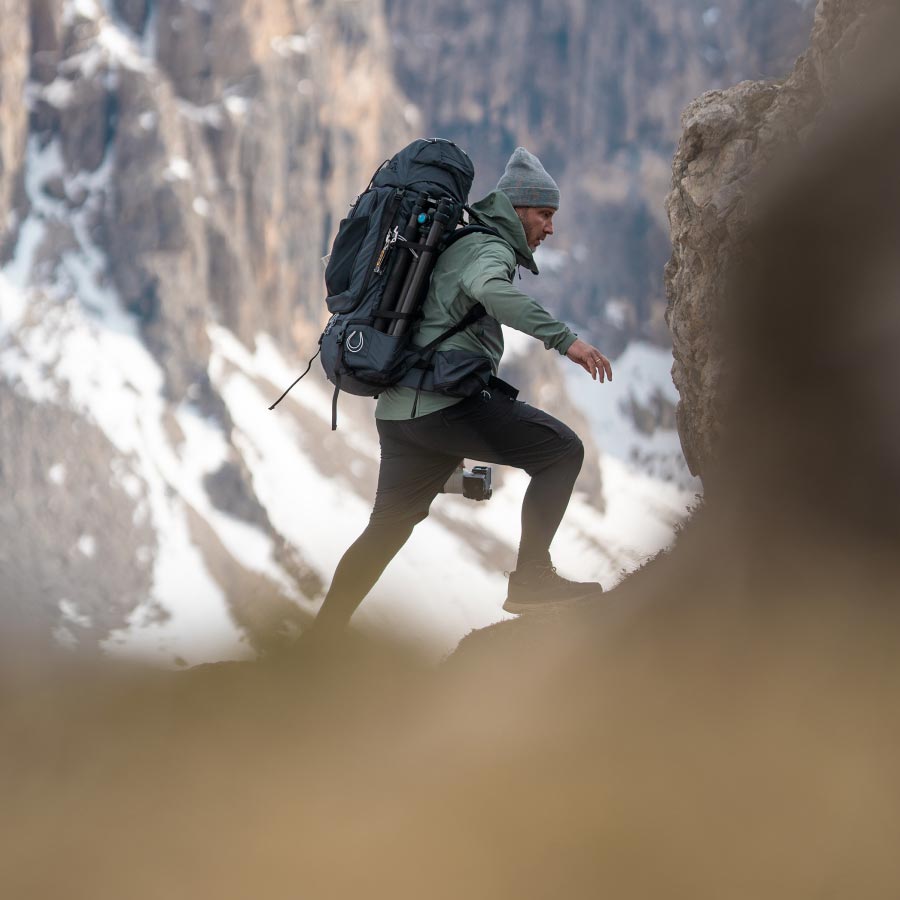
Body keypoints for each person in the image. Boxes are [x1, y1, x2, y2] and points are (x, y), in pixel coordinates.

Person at [311, 147, 613, 634]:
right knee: (560, 451)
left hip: (399, 414)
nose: (550, 228)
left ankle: (320, 637)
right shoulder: (487, 248)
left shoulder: (458, 240)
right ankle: (532, 580)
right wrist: (566, 341)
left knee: (385, 530)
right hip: (442, 409)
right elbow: (493, 291)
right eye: (544, 214)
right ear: (518, 210)